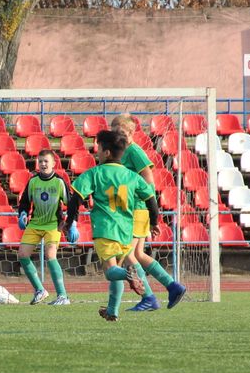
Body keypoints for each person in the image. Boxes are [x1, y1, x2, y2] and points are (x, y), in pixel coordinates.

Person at [64, 127, 186, 322]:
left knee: (111, 272)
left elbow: (75, 198)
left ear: (106, 152)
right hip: (126, 232)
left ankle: (130, 275)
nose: (96, 152)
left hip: (105, 230)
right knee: (119, 267)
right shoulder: (132, 177)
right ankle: (112, 311)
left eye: (98, 149)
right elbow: (151, 199)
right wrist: (154, 222)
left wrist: (70, 222)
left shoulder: (95, 173)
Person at [111, 114, 183, 312]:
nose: (118, 134)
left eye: (122, 132)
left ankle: (148, 296)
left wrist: (146, 201)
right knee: (138, 254)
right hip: (130, 209)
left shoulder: (134, 151)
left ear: (131, 133)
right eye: (115, 131)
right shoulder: (120, 151)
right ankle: (172, 286)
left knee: (128, 256)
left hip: (137, 209)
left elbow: (148, 177)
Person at [16, 149, 70, 305]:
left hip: (53, 224)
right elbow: (24, 202)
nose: (43, 164)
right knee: (23, 255)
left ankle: (62, 296)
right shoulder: (33, 181)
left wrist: (72, 224)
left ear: (54, 163)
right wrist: (23, 214)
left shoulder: (59, 182)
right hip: (35, 224)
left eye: (46, 161)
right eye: (40, 161)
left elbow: (71, 203)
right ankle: (40, 290)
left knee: (50, 255)